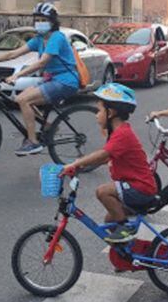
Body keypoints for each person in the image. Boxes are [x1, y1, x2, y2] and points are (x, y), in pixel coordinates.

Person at [0, 3, 81, 156]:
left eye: (43, 19)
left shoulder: (56, 38)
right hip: (51, 79)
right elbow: (13, 54)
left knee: (24, 100)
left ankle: (33, 142)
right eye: (36, 19)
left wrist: (17, 75)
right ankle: (47, 125)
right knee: (19, 97)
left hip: (65, 81)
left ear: (52, 21)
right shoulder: (39, 39)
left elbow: (42, 62)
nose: (39, 23)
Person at [62, 83, 159, 244]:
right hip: (134, 186)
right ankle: (126, 256)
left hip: (140, 188)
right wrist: (81, 166)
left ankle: (125, 228)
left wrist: (75, 163)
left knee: (103, 191)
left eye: (99, 110)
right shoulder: (117, 132)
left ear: (111, 112)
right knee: (109, 222)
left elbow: (103, 154)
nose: (96, 115)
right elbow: (105, 158)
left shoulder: (122, 134)